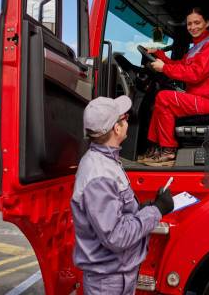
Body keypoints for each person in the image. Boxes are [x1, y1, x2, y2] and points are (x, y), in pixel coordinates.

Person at [71, 95, 174, 295]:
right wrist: (156, 211)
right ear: (116, 129)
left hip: (116, 275)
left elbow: (115, 214)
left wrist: (141, 210)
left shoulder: (105, 161)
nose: (128, 121)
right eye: (124, 117)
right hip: (108, 281)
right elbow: (116, 237)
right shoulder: (99, 175)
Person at [139, 7, 209, 166]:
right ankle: (154, 147)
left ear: (207, 23)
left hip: (207, 101)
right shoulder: (196, 47)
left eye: (197, 22)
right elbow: (179, 64)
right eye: (189, 24)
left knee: (163, 98)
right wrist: (159, 54)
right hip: (197, 98)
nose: (193, 27)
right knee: (160, 102)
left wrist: (164, 68)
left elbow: (195, 73)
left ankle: (168, 151)